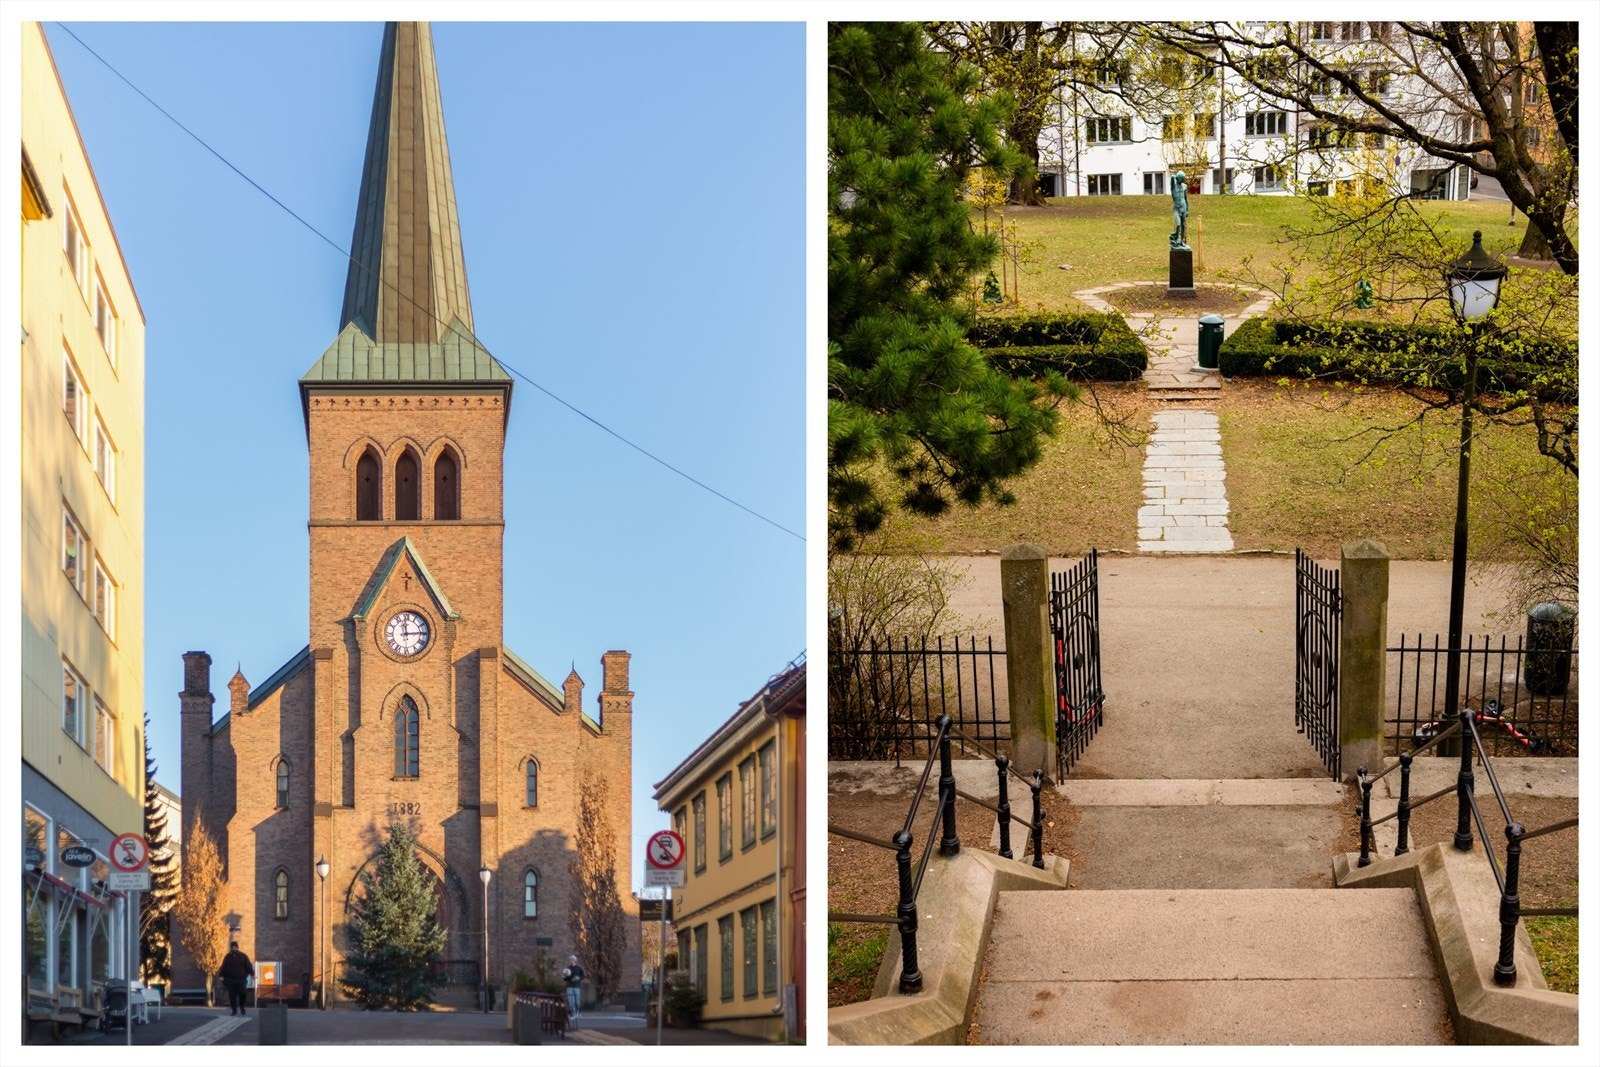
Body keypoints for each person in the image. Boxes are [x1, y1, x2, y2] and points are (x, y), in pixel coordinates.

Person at [220, 941, 254, 1017]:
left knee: (242, 993)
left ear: (237, 947)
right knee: (232, 995)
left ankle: (242, 1007)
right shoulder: (227, 957)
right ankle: (234, 1010)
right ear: (231, 948)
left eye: (235, 947)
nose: (234, 948)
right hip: (231, 980)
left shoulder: (243, 956)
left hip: (241, 979)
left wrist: (252, 974)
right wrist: (221, 975)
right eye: (232, 947)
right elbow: (223, 967)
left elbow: (248, 966)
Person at [1169, 171, 1190, 250]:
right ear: (1179, 178)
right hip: (1176, 209)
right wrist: (1175, 176)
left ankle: (1182, 241)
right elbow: (1171, 178)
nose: (1184, 180)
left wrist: (1187, 210)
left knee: (1183, 225)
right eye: (1183, 178)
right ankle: (1174, 236)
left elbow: (1186, 199)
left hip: (1183, 207)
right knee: (1178, 224)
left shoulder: (1184, 186)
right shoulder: (1173, 187)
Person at [562, 954, 585, 1019]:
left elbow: (583, 976)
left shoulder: (579, 968)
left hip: (577, 987)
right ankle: (573, 1014)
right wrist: (564, 977)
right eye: (570, 960)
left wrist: (579, 978)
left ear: (575, 960)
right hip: (570, 987)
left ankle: (577, 1012)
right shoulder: (568, 969)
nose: (571, 961)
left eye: (572, 959)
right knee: (571, 1002)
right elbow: (565, 978)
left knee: (577, 1002)